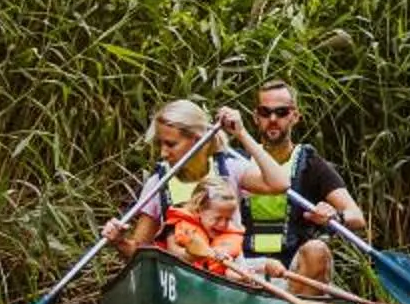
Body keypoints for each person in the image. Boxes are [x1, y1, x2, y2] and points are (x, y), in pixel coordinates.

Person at [110, 98, 291, 260]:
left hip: (229, 275)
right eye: (160, 144)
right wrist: (119, 242)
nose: (163, 153)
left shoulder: (228, 169)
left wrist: (241, 134)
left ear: (197, 140)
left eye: (170, 144)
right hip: (185, 282)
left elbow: (280, 183)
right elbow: (138, 253)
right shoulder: (158, 183)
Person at [248, 80, 366, 295]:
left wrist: (334, 217)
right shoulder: (239, 160)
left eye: (282, 112)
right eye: (265, 112)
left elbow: (356, 216)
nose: (273, 119)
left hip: (294, 273)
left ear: (295, 116)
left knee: (317, 250)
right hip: (243, 269)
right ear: (256, 117)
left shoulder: (311, 164)